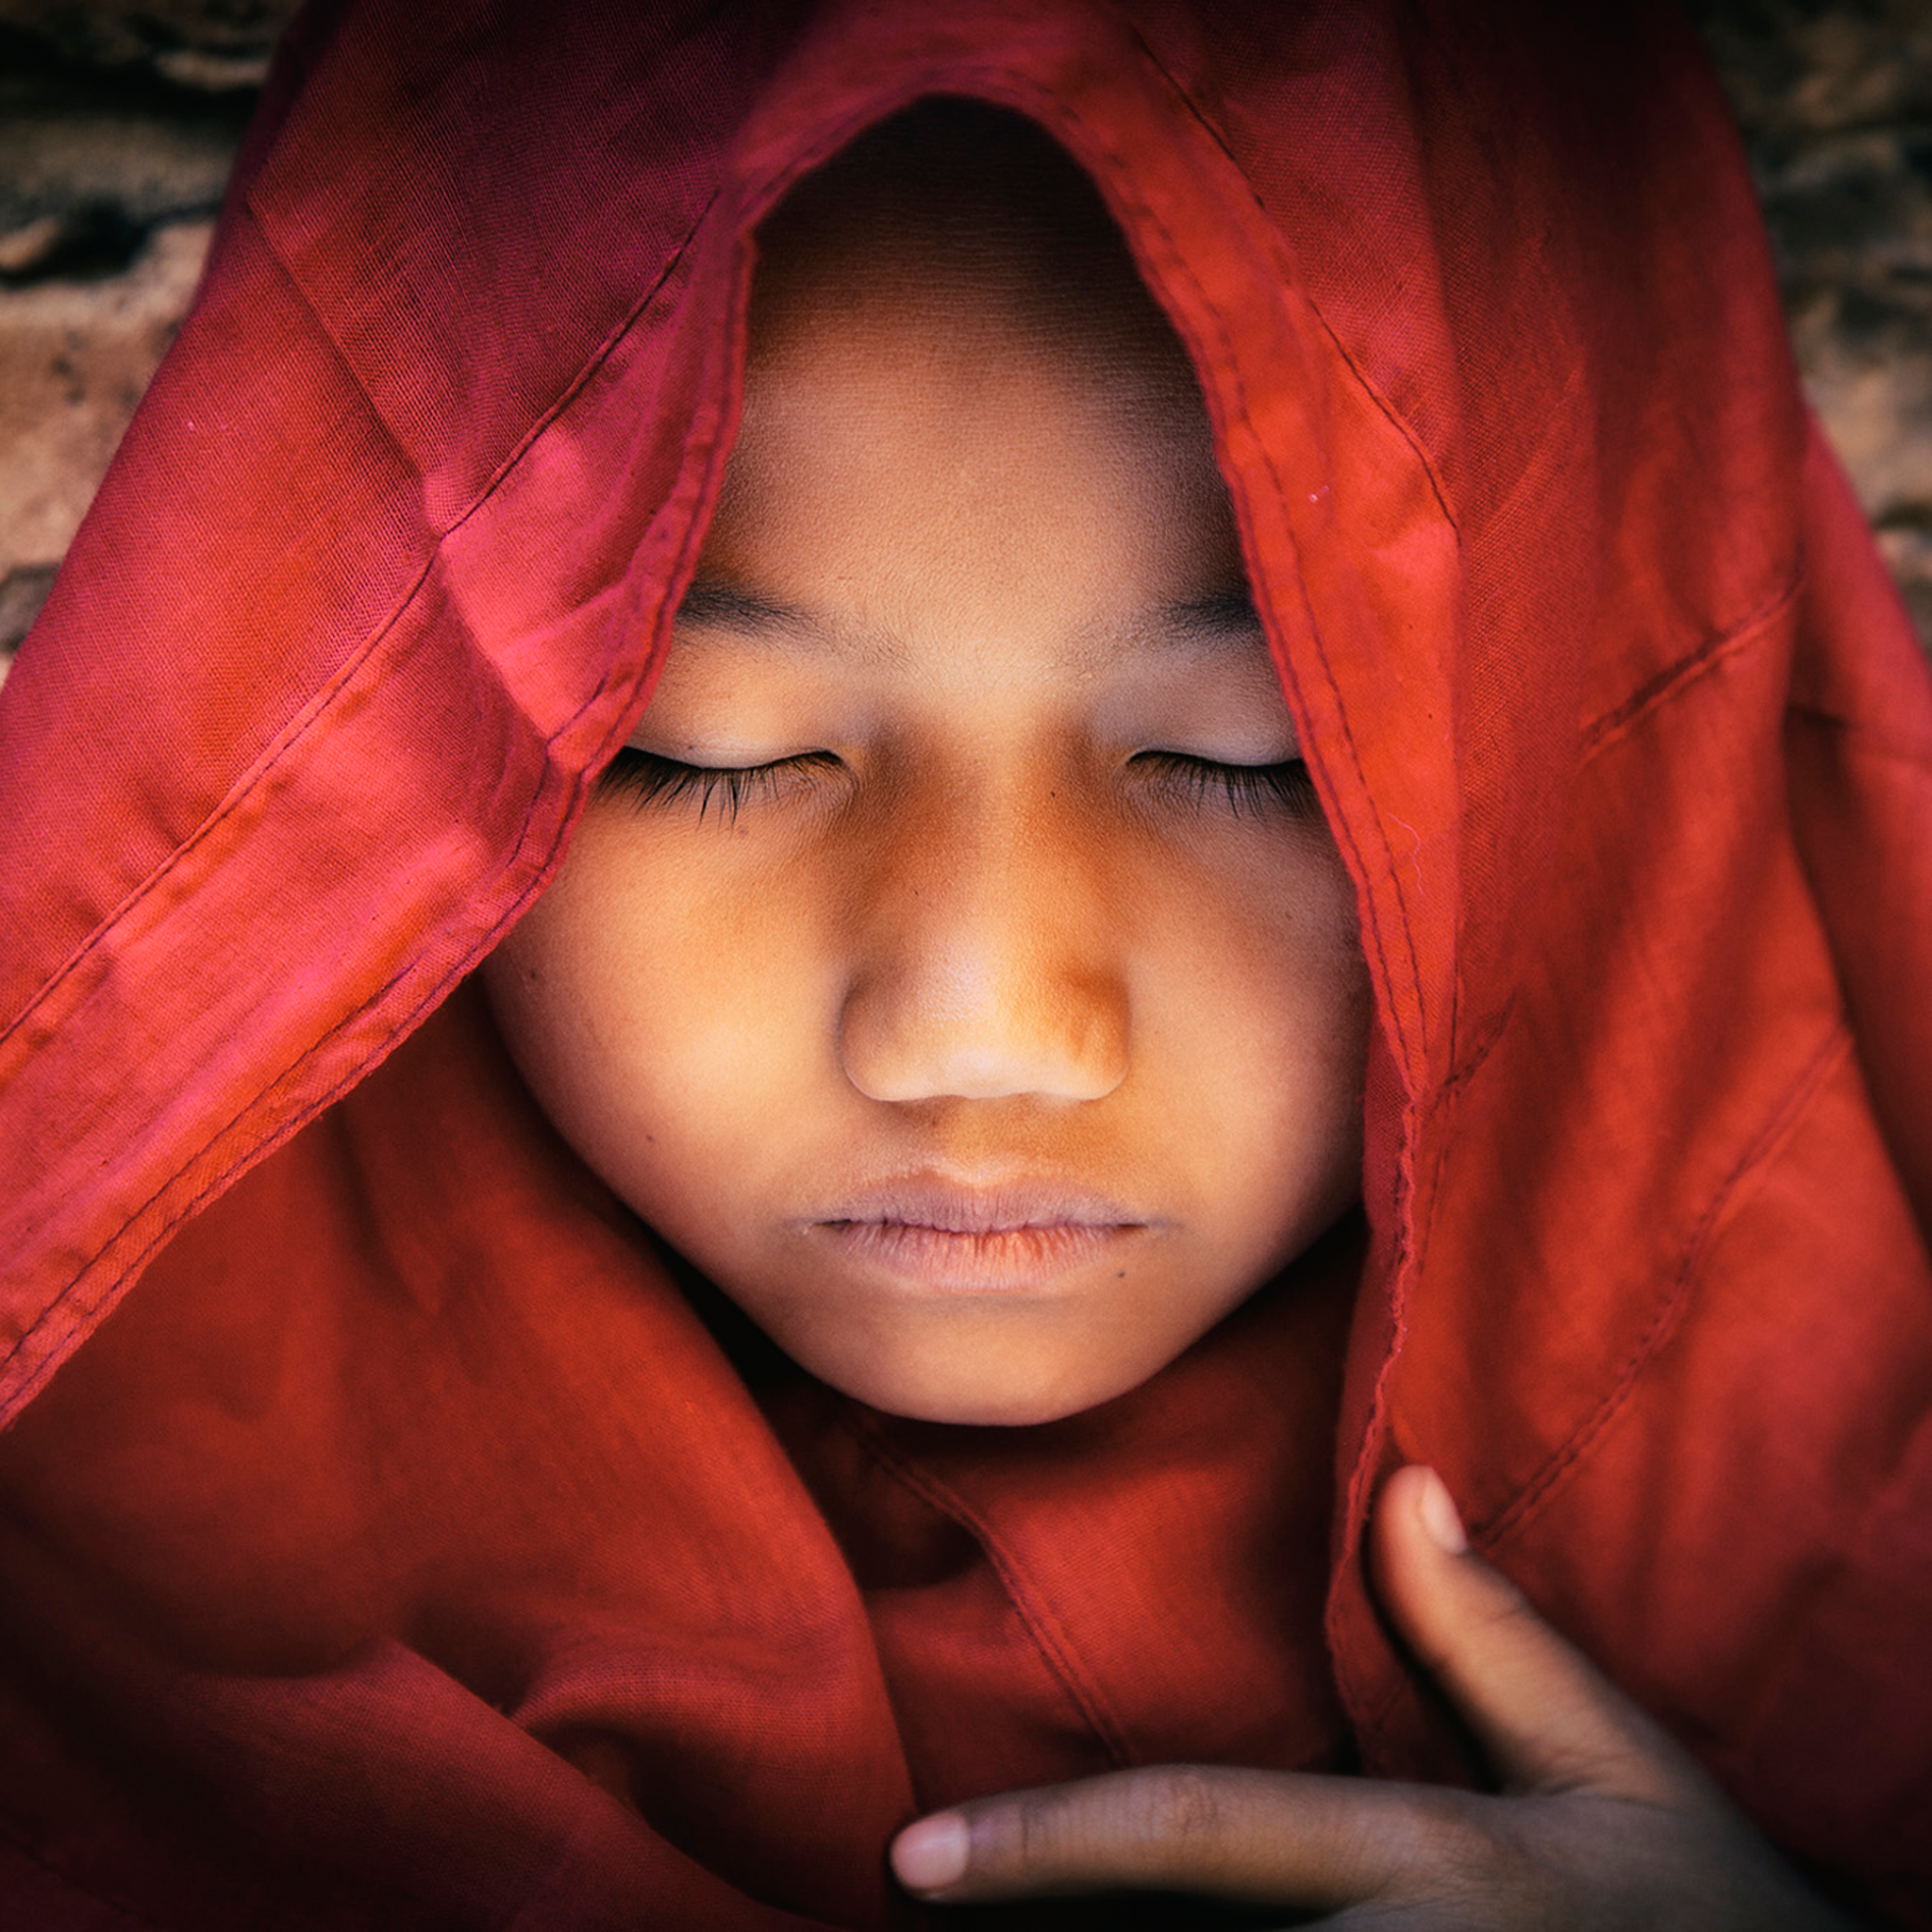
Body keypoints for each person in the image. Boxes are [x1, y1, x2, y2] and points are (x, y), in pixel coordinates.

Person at [0, 3, 1926, 1929]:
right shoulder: (96, 1612)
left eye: (1257, 758)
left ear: (1587, 769)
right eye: (707, 750)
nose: (978, 1027)